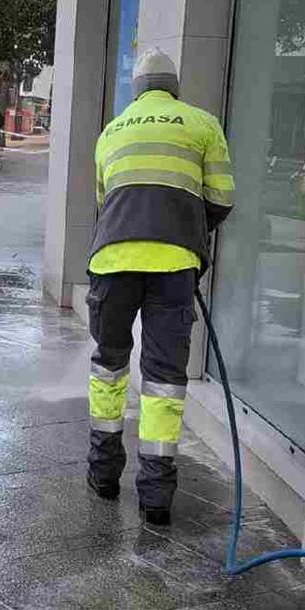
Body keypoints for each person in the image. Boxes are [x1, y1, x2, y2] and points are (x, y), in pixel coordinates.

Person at [84, 47, 235, 526]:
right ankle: (156, 497)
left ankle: (103, 474)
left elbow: (105, 203)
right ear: (175, 88)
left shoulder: (110, 132)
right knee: (165, 378)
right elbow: (222, 198)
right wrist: (186, 231)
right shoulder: (203, 124)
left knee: (109, 366)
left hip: (112, 260)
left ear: (137, 90)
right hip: (173, 265)